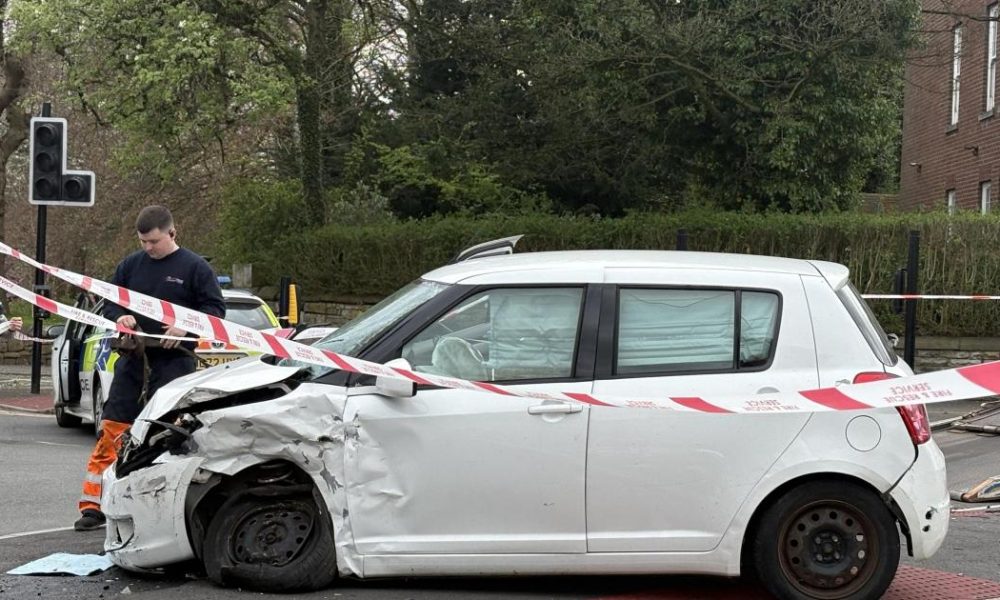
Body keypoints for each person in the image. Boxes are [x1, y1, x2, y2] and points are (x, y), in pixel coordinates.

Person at [74, 205, 226, 531]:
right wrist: (120, 316)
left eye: (154, 241)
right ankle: (93, 506)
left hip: (174, 362)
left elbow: (215, 312)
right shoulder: (130, 266)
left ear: (172, 233)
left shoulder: (196, 268)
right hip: (132, 359)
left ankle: (158, 510)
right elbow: (111, 299)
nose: (148, 248)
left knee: (165, 432)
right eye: (143, 241)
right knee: (114, 427)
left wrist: (185, 326)